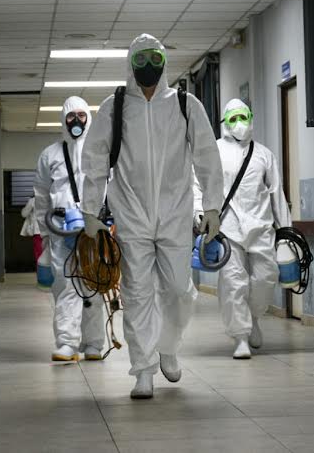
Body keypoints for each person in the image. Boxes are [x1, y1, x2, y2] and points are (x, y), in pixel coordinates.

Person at [80, 34, 223, 399]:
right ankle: (143, 370)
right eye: (141, 59)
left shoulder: (185, 104)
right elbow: (95, 161)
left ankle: (168, 347)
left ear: (164, 62)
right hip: (131, 213)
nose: (148, 66)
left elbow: (207, 156)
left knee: (178, 290)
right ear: (130, 63)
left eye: (154, 59)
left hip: (175, 213)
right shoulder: (114, 107)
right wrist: (90, 210)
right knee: (137, 293)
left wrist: (212, 206)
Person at [194, 99, 290, 359]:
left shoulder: (264, 155)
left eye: (243, 117)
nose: (239, 123)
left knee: (266, 277)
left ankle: (254, 316)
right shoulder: (213, 151)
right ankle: (240, 337)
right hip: (227, 227)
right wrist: (199, 212)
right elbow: (197, 183)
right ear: (225, 122)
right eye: (233, 118)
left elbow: (276, 193)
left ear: (250, 117)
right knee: (233, 282)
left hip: (261, 226)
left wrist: (286, 232)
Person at [34, 96, 105, 362]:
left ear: (89, 117)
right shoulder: (50, 154)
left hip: (92, 228)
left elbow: (111, 187)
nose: (77, 121)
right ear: (63, 120)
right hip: (59, 230)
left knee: (93, 285)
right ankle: (67, 343)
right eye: (71, 116)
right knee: (65, 286)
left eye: (81, 115)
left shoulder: (99, 151)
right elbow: (41, 196)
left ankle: (93, 343)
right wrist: (43, 234)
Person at [19, 196, 43, 263]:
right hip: (50, 230)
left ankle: (40, 268)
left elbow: (24, 214)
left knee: (39, 253)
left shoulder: (33, 200)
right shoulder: (50, 198)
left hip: (38, 231)